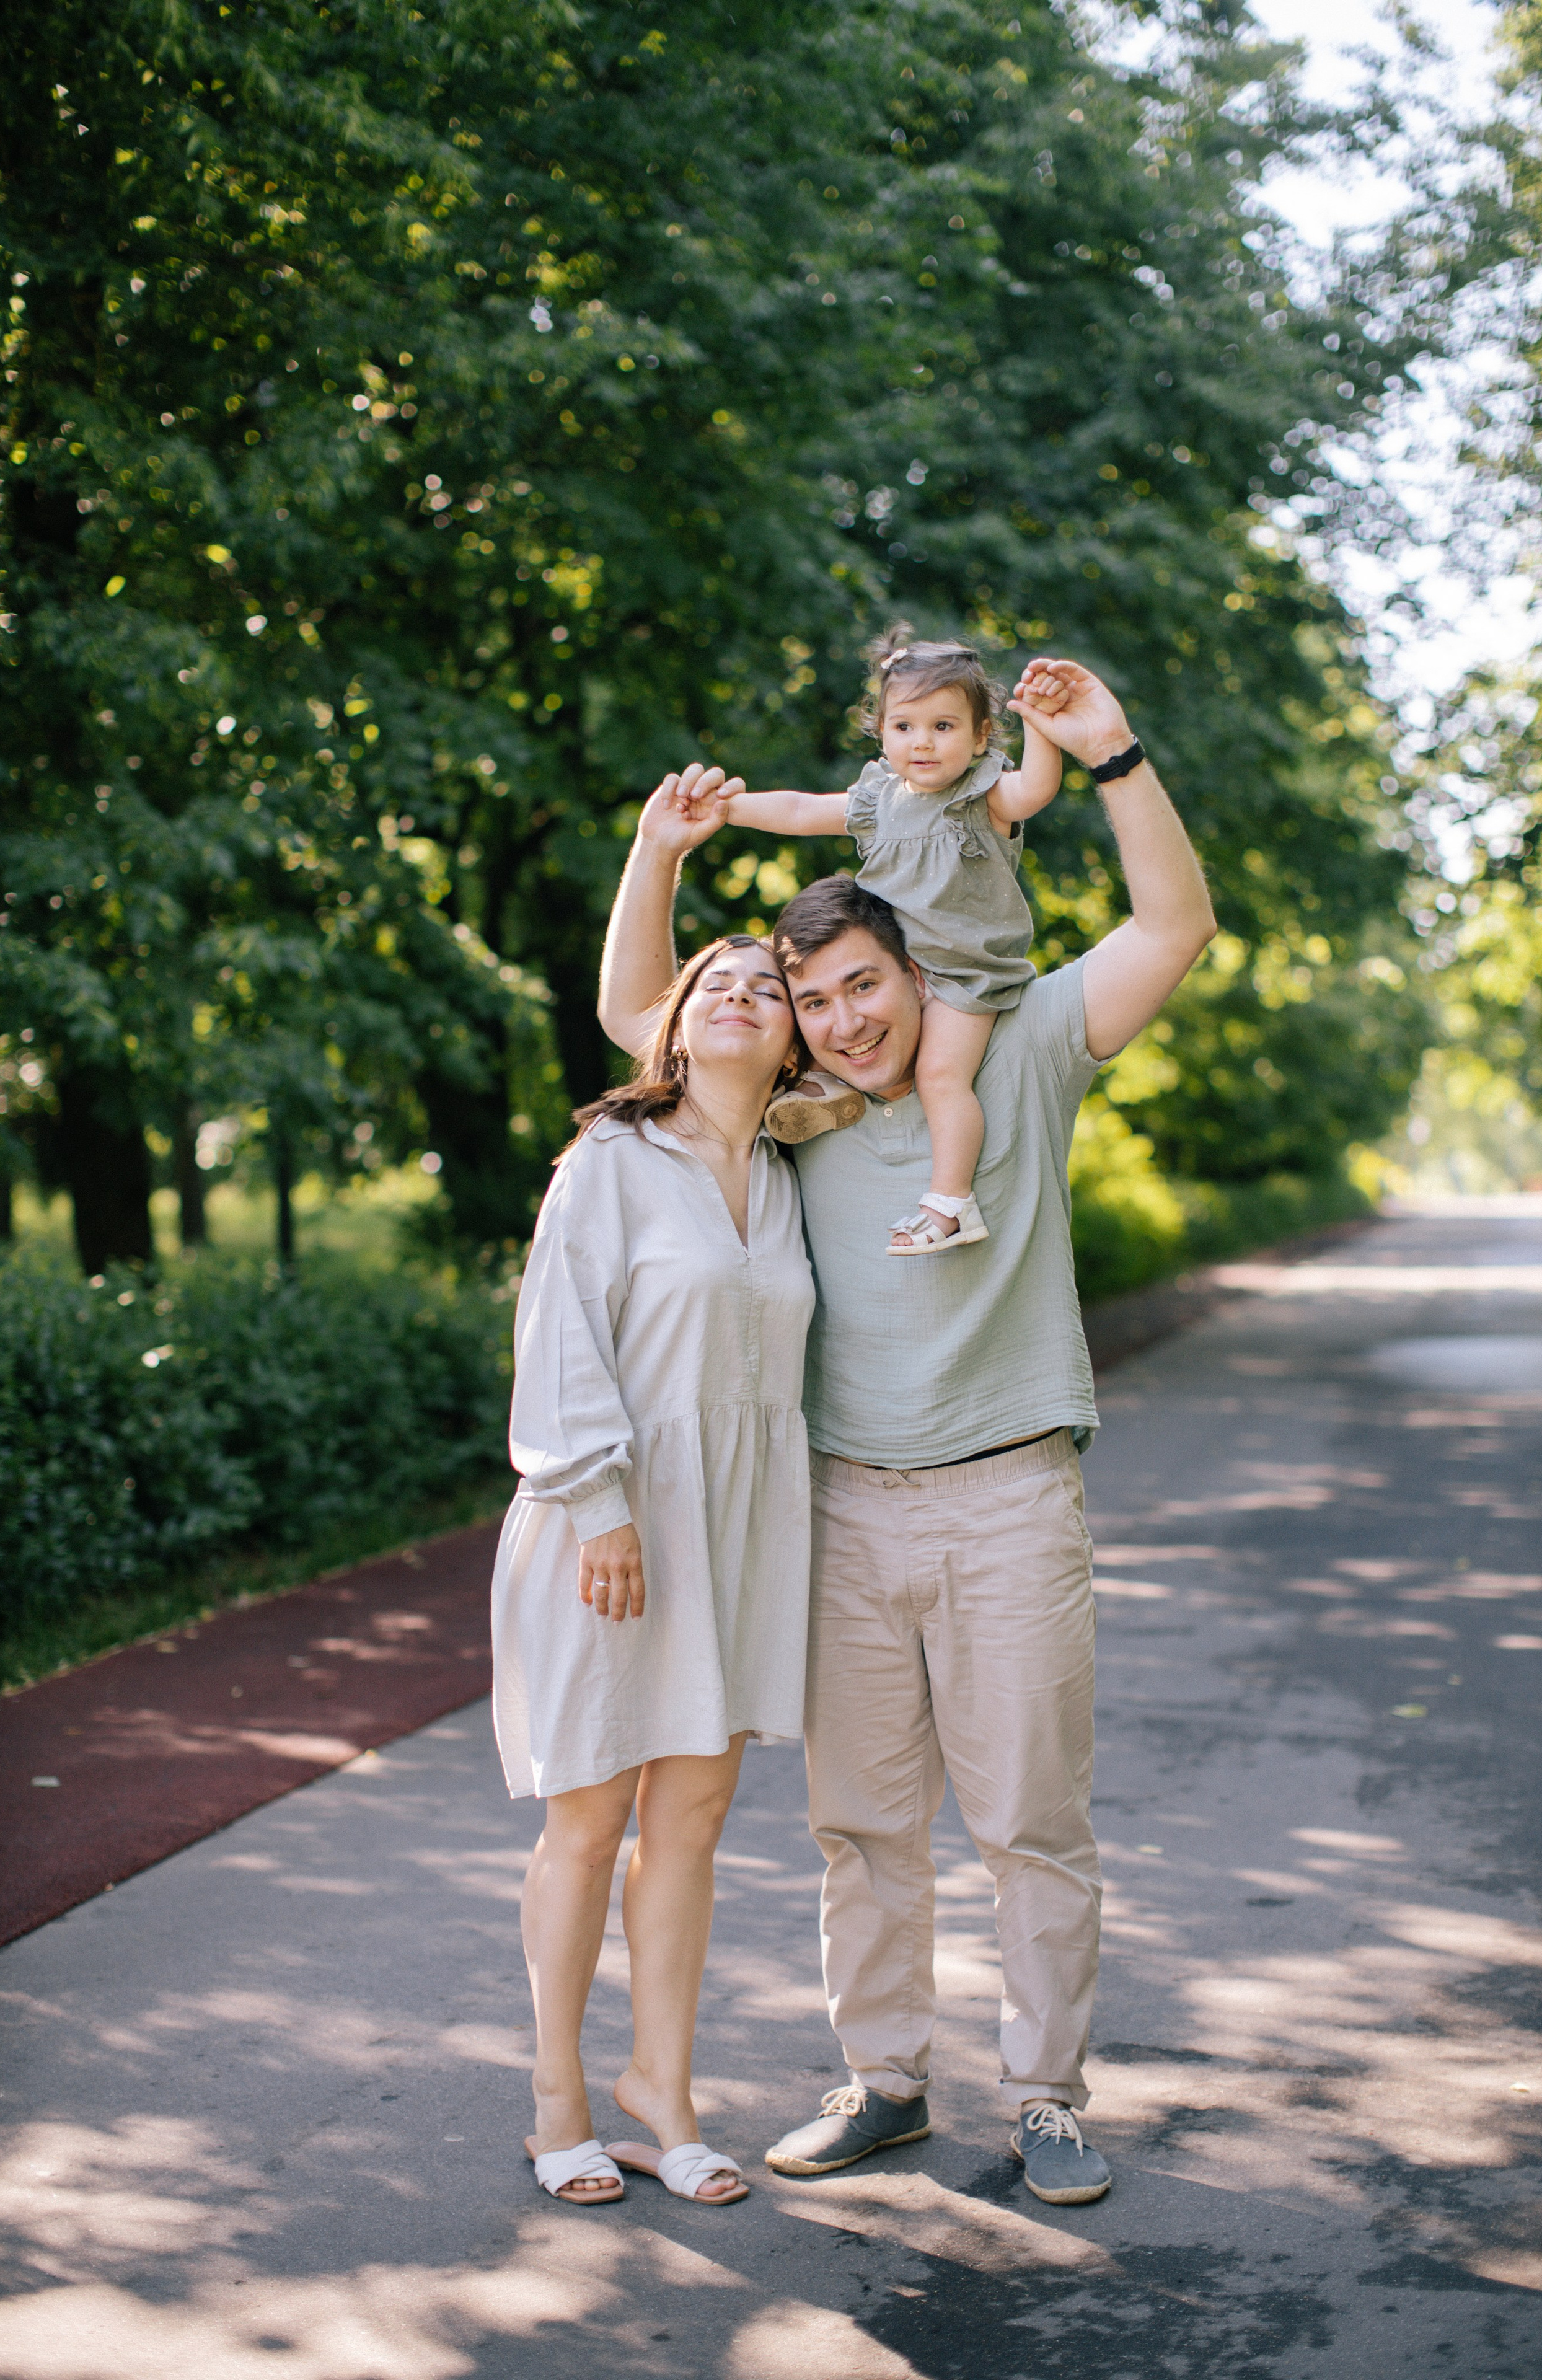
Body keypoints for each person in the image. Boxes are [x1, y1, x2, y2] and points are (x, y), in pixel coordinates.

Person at [598, 658, 1215, 2208]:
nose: (843, 1017)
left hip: (1009, 1495)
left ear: (913, 971)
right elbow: (635, 1012)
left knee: (1026, 1823)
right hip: (838, 1515)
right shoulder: (785, 1115)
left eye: (864, 983)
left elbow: (1170, 929)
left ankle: (1045, 2096)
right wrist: (658, 851)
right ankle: (881, 2079)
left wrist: (1113, 757)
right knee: (861, 1822)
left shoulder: (1015, 1050)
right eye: (814, 1000)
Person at [491, 906, 816, 2208]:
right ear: (673, 1030)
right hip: (609, 1528)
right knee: (587, 1823)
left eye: (765, 987)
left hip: (739, 1533)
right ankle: (557, 2101)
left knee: (692, 1823)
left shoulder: (795, 1174)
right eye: (711, 983)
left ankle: (661, 2093)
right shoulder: (611, 1159)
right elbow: (557, 1332)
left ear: (791, 1042)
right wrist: (599, 1504)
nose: (737, 993)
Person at [719, 625, 1076, 1254]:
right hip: (897, 973)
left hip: (965, 978)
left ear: (980, 736)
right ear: (881, 732)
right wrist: (727, 808)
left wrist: (1044, 724)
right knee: (838, 1029)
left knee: (939, 1076)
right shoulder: (877, 800)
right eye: (905, 726)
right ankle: (826, 1091)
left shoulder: (982, 795)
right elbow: (801, 812)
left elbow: (1037, 790)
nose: (923, 742)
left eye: (944, 727)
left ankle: (950, 1204)